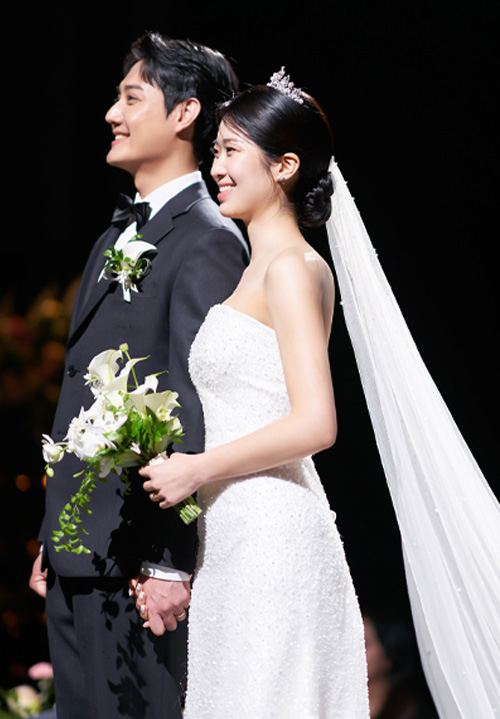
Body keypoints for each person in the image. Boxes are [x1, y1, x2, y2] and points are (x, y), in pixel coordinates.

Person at [29, 31, 248, 719]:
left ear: (185, 113)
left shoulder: (208, 239)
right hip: (78, 550)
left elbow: (195, 402)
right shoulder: (110, 237)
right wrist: (53, 532)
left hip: (136, 561)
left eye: (131, 98)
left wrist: (167, 559)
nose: (111, 114)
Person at [137, 74, 370, 717]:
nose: (216, 167)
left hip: (272, 531)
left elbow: (317, 424)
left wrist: (196, 468)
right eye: (215, 151)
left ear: (285, 166)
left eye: (232, 151)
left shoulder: (292, 267)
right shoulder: (257, 269)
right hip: (233, 532)